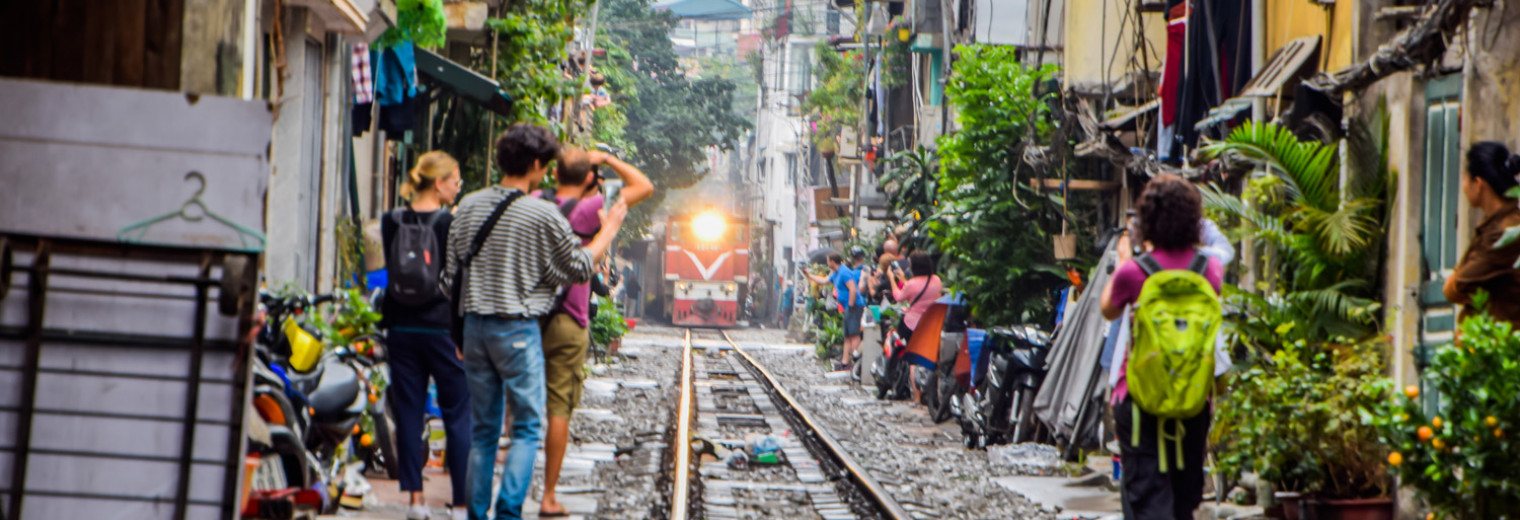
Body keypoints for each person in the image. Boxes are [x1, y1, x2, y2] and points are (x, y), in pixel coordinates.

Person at [444, 124, 627, 520]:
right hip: (517, 329)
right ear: (533, 165)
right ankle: (509, 511)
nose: (545, 172)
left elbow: (448, 277)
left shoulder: (469, 206)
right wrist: (607, 230)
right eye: (544, 164)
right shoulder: (542, 213)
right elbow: (579, 268)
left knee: (484, 429)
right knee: (526, 426)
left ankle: (477, 513)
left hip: (473, 328)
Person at [535, 146, 652, 518]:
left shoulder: (536, 201)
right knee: (559, 406)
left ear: (554, 175)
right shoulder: (592, 207)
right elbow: (644, 186)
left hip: (528, 313)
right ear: (589, 178)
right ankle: (548, 496)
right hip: (569, 314)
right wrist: (608, 159)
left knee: (518, 399)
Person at [1099, 174, 1223, 520]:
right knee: (1184, 499)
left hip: (1138, 399)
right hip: (1193, 399)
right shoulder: (1209, 270)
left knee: (1146, 496)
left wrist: (1125, 259)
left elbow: (1108, 308)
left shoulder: (1135, 273)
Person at [381, 151, 470, 520]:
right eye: (455, 180)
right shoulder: (449, 223)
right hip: (441, 327)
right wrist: (462, 336)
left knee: (408, 411)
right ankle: (462, 504)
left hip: (400, 327)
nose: (458, 186)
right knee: (458, 413)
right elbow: (459, 281)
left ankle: (415, 501)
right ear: (439, 182)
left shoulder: (391, 220)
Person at [1443, 141, 1520, 324]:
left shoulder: (1505, 231)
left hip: (1502, 344)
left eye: (1465, 179)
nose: (1463, 186)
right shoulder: (1494, 224)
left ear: (1478, 184)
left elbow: (1456, 286)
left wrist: (1459, 282)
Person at [887, 252, 943, 403]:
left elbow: (899, 297)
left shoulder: (912, 283)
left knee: (913, 360)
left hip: (913, 324)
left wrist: (892, 279)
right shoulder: (936, 280)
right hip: (932, 324)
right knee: (933, 357)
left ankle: (917, 397)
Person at [803, 249, 867, 369]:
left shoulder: (844, 272)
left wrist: (851, 306)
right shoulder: (835, 273)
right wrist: (809, 275)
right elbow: (824, 280)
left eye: (828, 261)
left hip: (854, 306)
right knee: (847, 336)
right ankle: (845, 362)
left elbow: (853, 289)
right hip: (847, 307)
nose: (827, 264)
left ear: (832, 261)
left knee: (854, 335)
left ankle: (856, 364)